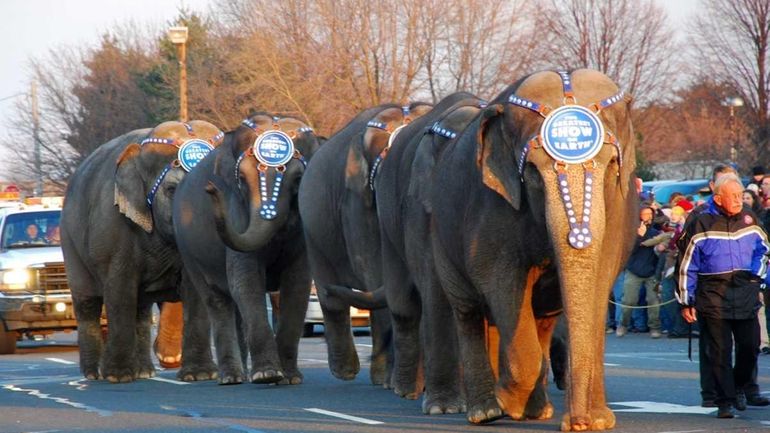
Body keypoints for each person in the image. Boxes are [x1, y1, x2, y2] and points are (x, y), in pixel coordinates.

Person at [677, 173, 770, 418]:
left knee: (750, 348)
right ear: (718, 198)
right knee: (719, 352)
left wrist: (756, 275)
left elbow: (764, 251)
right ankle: (724, 401)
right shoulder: (701, 221)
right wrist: (686, 300)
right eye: (733, 196)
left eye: (741, 195)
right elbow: (687, 264)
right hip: (713, 294)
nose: (739, 200)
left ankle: (740, 386)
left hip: (745, 290)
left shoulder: (750, 218)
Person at [616, 204, 663, 338]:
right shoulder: (631, 232)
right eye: (644, 214)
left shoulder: (656, 233)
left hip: (651, 271)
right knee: (629, 301)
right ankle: (623, 324)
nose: (647, 217)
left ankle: (654, 327)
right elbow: (629, 251)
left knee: (653, 301)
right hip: (634, 271)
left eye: (650, 214)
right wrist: (639, 237)